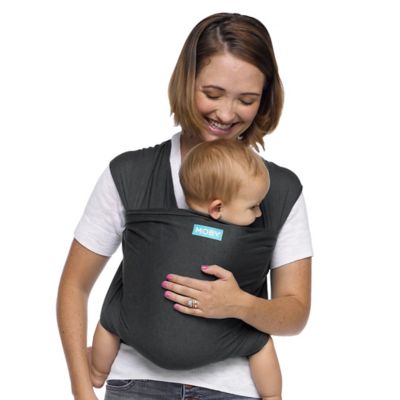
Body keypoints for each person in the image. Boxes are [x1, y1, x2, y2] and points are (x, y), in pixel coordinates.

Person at [57, 12, 312, 400]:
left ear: (264, 100)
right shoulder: (131, 174)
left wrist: (239, 305)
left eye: (246, 100)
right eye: (212, 93)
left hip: (233, 390)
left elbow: (295, 314)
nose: (226, 114)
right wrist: (81, 388)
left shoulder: (279, 190)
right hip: (135, 386)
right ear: (186, 81)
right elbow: (74, 286)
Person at [89, 139, 281, 400]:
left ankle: (98, 371)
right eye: (253, 206)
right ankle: (272, 395)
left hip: (139, 346)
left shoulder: (152, 227)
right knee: (260, 343)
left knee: (110, 321)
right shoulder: (245, 245)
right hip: (222, 352)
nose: (259, 214)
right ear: (217, 208)